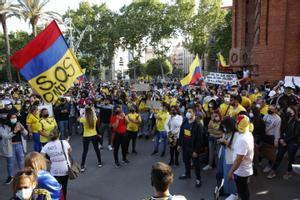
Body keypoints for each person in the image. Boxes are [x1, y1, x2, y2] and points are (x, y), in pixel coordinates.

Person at [267, 106, 300, 180]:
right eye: (288, 111)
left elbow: (296, 134)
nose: (289, 112)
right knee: (279, 155)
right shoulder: (285, 119)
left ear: (294, 111)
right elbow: (281, 130)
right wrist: (281, 138)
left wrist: (285, 140)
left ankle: (289, 172)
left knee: (291, 157)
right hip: (283, 140)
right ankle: (273, 170)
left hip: (293, 141)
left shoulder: (297, 121)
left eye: (290, 111)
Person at [178, 107, 207, 188]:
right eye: (187, 111)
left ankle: (198, 179)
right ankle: (187, 174)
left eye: (190, 112)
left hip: (193, 149)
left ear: (194, 113)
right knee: (186, 161)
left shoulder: (198, 125)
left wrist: (196, 151)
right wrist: (179, 144)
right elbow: (181, 134)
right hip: (185, 147)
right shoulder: (185, 122)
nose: (188, 113)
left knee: (196, 164)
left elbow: (200, 140)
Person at [228, 115, 254, 200]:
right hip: (243, 169)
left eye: (237, 122)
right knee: (243, 189)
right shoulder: (247, 132)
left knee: (243, 190)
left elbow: (239, 159)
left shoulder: (243, 139)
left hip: (241, 171)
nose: (235, 123)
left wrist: (231, 171)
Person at [41, 128, 71, 199]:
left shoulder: (47, 145)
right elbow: (70, 151)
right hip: (65, 168)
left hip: (54, 170)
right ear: (59, 134)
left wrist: (48, 161)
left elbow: (40, 156)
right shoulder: (64, 142)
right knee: (64, 186)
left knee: (55, 187)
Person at [0, 113, 28, 184]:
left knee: (21, 161)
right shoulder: (3, 126)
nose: (14, 119)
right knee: (10, 163)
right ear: (8, 118)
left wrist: (22, 129)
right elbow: (5, 136)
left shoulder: (18, 124)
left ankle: (22, 174)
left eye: (15, 117)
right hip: (10, 146)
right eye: (12, 118)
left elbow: (26, 133)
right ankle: (10, 176)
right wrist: (14, 131)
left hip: (19, 145)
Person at [215, 117, 238, 200]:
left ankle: (233, 193)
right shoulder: (227, 132)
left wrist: (225, 142)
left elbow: (235, 147)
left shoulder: (236, 134)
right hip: (224, 155)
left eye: (225, 126)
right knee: (225, 173)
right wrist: (222, 141)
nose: (224, 128)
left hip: (231, 157)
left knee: (230, 175)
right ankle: (226, 190)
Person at [80, 106, 102, 172]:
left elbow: (79, 119)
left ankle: (82, 166)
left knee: (85, 151)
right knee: (96, 149)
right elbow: (95, 116)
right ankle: (99, 162)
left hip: (86, 135)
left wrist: (82, 113)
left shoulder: (83, 119)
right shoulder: (94, 118)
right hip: (94, 135)